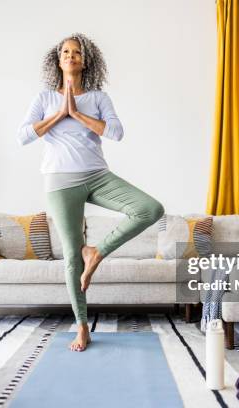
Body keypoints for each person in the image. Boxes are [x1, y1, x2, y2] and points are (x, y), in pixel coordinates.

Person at [17, 33, 164, 352]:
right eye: (65, 52)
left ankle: (96, 252)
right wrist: (59, 114)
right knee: (71, 256)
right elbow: (23, 136)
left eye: (76, 52)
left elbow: (117, 133)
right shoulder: (44, 98)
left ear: (85, 60)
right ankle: (82, 326)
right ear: (58, 60)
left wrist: (78, 113)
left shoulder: (98, 97)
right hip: (59, 180)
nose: (71, 56)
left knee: (150, 209)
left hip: (97, 175)